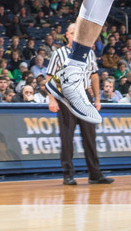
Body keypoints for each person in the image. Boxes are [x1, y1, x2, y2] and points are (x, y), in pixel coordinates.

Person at [47, 23, 112, 186]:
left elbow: (94, 76)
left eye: (79, 32)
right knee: (67, 138)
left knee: (90, 138)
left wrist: (97, 99)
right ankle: (68, 174)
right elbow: (49, 77)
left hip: (84, 97)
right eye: (73, 32)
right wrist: (52, 99)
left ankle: (95, 174)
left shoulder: (89, 53)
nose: (76, 34)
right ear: (67, 35)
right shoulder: (58, 54)